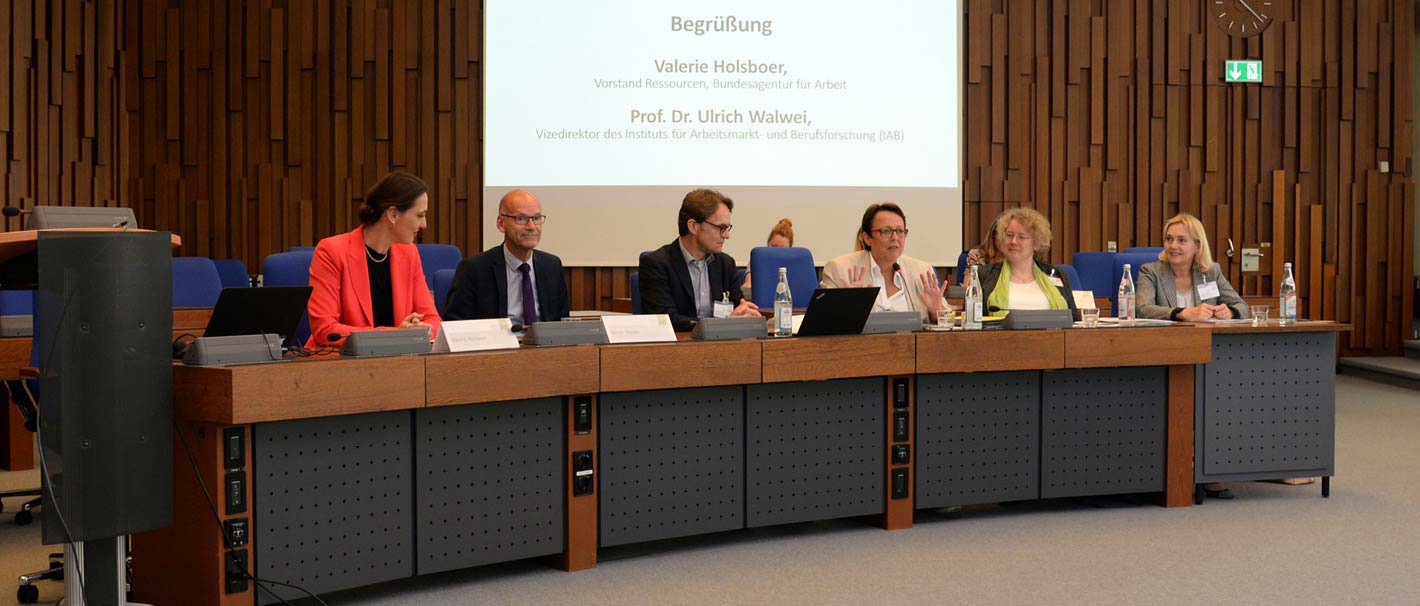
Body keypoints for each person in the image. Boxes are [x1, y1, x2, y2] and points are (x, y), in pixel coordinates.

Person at [307, 172, 441, 346]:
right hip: (341, 364)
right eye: (419, 215)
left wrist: (423, 328)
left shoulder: (409, 253)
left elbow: (433, 319)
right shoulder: (332, 252)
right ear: (393, 214)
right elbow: (325, 330)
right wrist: (397, 335)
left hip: (398, 363)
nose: (424, 225)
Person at [443, 190, 571, 326]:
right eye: (521, 219)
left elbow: (562, 324)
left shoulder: (552, 266)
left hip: (544, 346)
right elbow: (454, 324)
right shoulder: (475, 269)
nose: (531, 227)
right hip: (497, 345)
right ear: (501, 223)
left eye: (537, 218)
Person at [639, 189, 760, 331]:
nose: (727, 235)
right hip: (678, 347)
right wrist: (720, 325)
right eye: (721, 228)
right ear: (693, 226)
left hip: (723, 345)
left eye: (727, 228)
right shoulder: (656, 264)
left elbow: (737, 308)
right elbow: (666, 320)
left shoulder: (725, 264)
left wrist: (744, 313)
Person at [819, 203, 945, 323]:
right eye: (886, 231)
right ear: (867, 238)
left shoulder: (921, 271)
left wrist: (936, 312)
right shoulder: (839, 269)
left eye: (900, 231)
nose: (895, 237)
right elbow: (823, 322)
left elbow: (947, 321)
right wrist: (849, 308)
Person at [1136, 213, 1249, 322]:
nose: (1173, 245)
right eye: (1169, 239)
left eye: (1181, 240)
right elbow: (1143, 309)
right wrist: (1183, 313)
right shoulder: (1151, 272)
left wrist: (1230, 312)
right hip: (1165, 338)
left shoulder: (1210, 272)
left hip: (1204, 338)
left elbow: (1242, 306)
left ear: (1197, 245)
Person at [977, 208, 1077, 314]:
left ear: (1036, 243)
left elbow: (1074, 320)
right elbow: (971, 319)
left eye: (1021, 237)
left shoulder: (1058, 275)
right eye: (1009, 235)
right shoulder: (984, 275)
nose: (1013, 241)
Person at [741, 218, 794, 296]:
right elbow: (748, 287)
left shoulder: (795, 264)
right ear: (768, 243)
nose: (776, 252)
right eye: (774, 246)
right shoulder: (757, 260)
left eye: (782, 249)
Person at [961, 215, 1003, 284]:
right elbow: (968, 286)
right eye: (1002, 234)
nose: (1006, 239)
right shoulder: (977, 255)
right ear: (993, 236)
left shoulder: (1018, 258)